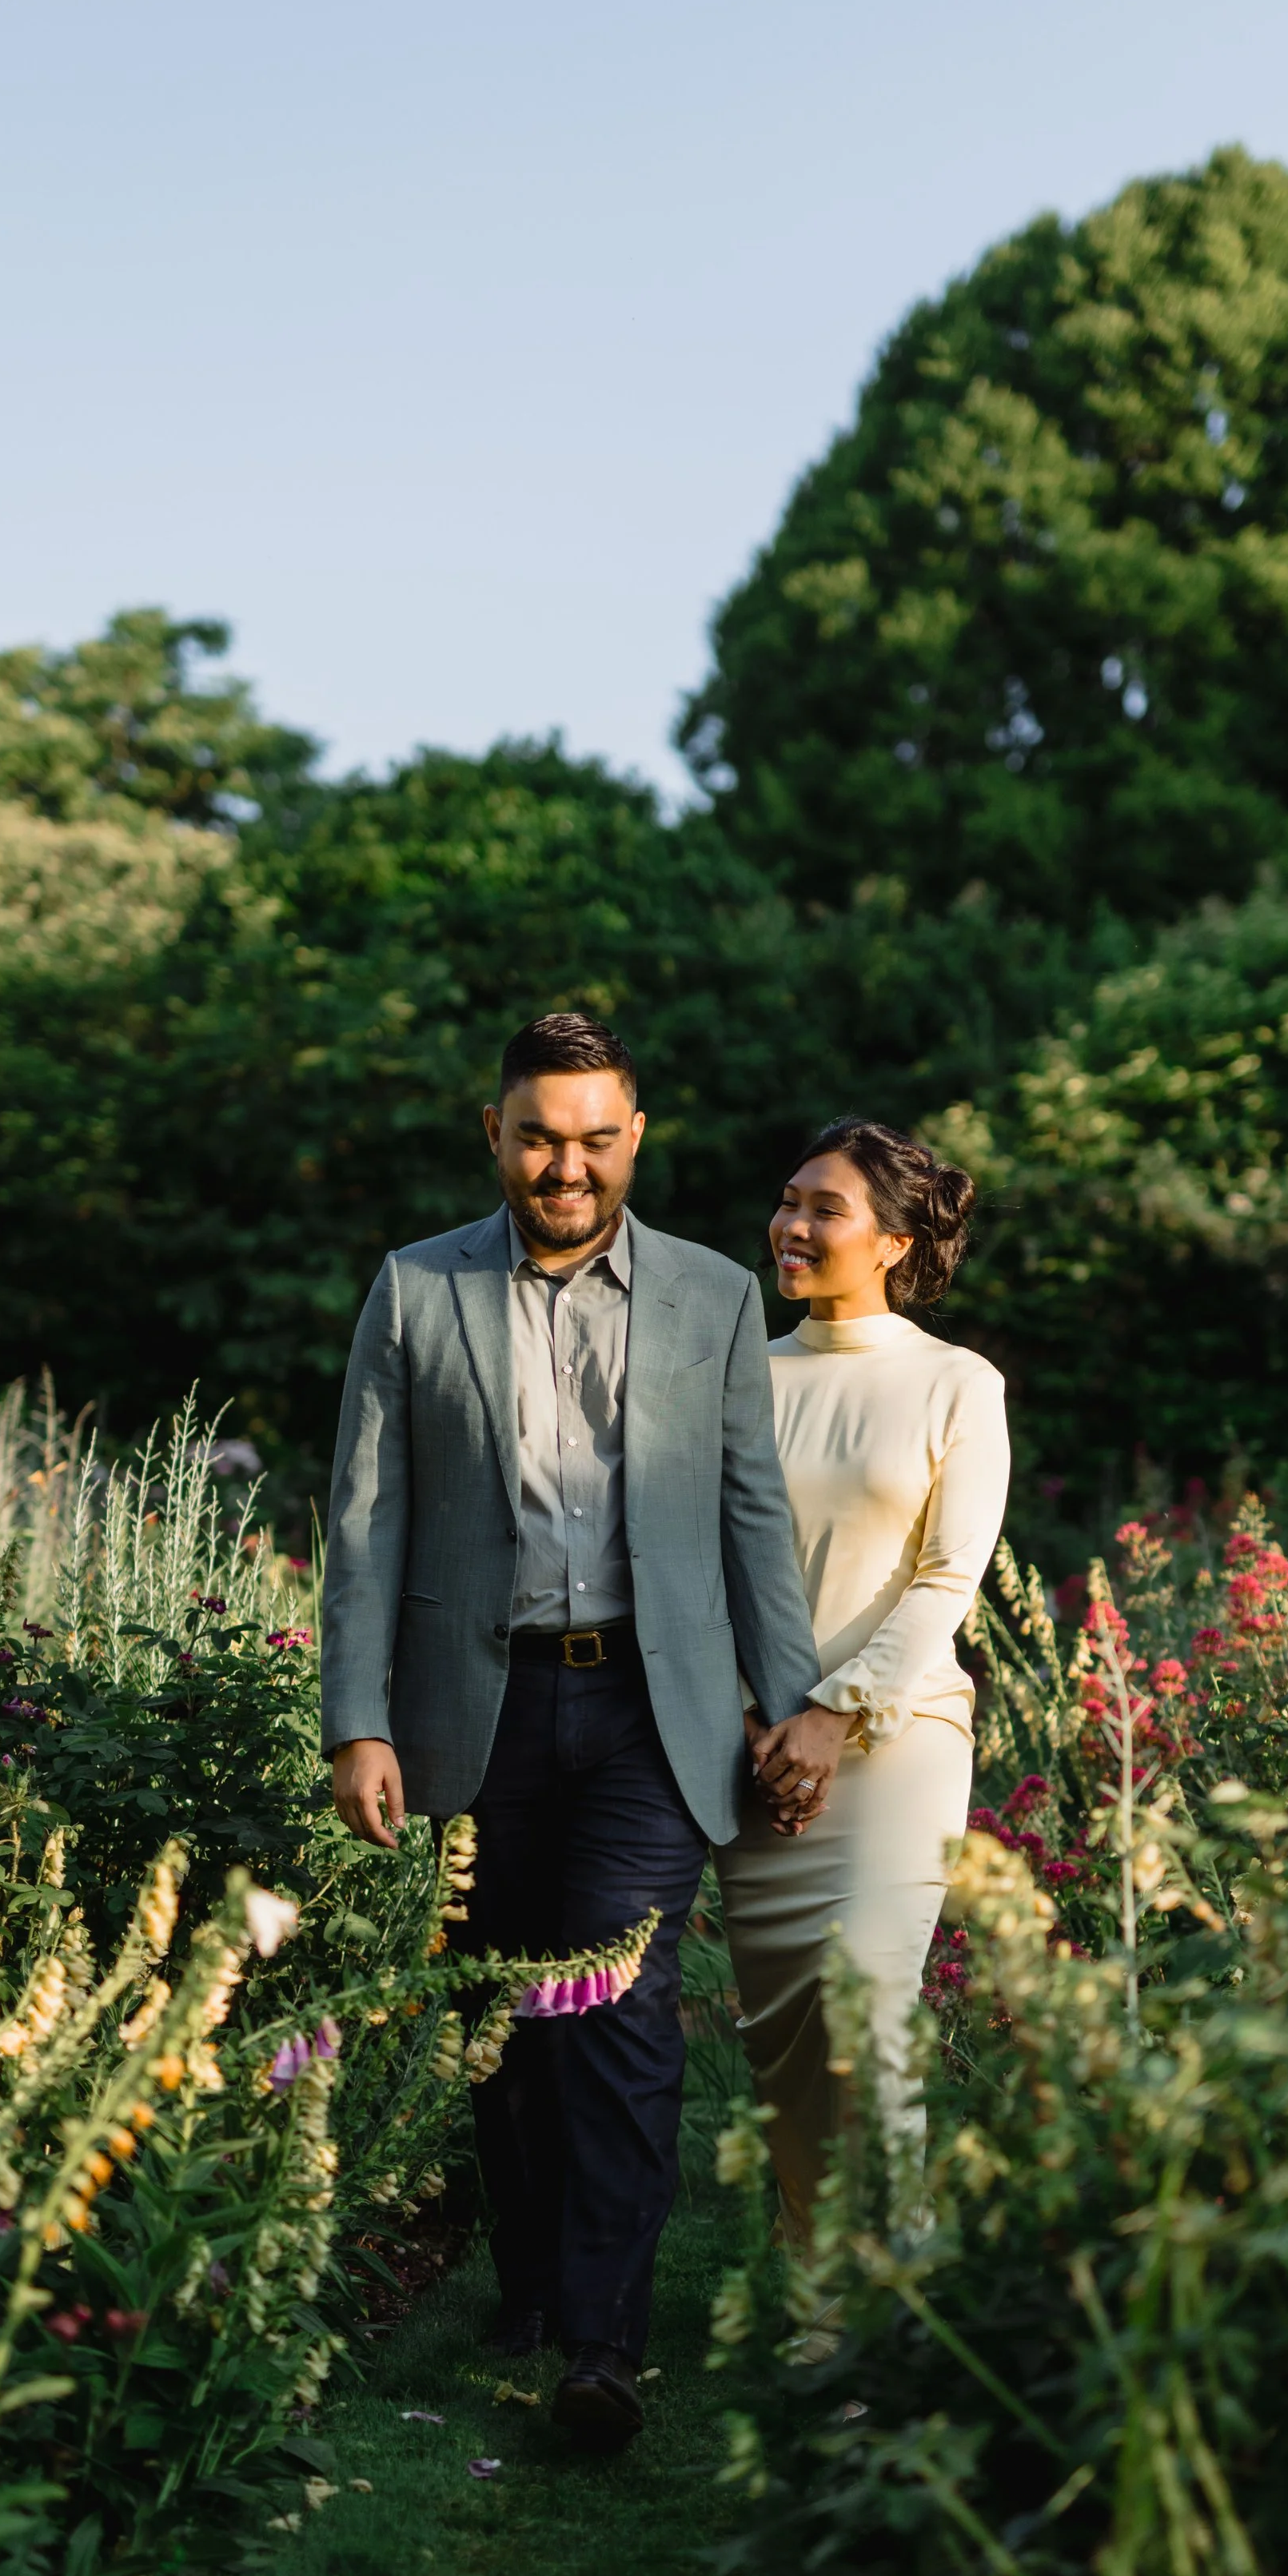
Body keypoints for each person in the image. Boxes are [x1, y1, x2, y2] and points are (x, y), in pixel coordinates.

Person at [319, 1013, 834, 2450]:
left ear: (635, 1138)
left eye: (596, 1138)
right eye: (541, 1136)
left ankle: (604, 2342)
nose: (568, 1165)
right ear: (494, 1134)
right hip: (470, 1707)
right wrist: (357, 1721)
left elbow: (750, 1515)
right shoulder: (415, 1292)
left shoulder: (712, 1296)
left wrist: (790, 1704)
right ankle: (534, 2280)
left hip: (644, 1708)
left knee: (616, 2004)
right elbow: (363, 1525)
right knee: (502, 2013)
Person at [716, 1118, 1010, 2248]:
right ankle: (821, 2289)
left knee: (866, 2019)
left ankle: (895, 2293)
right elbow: (700, 1562)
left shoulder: (955, 1385)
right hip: (755, 1750)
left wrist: (834, 1715)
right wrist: (753, 1713)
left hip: (899, 1746)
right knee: (788, 2050)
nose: (790, 1225)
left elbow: (950, 1577)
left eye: (822, 1208)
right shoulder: (738, 1379)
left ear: (892, 1241)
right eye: (787, 1200)